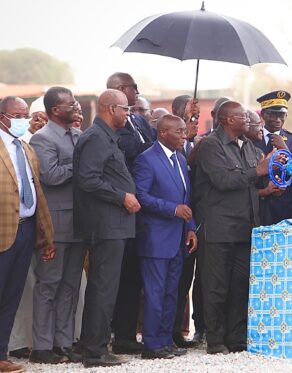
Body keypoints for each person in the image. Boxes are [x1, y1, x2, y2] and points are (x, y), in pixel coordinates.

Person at [194, 101, 271, 354]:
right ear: (227, 119)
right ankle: (215, 339)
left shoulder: (248, 145)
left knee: (240, 284)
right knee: (216, 285)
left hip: (245, 227)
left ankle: (236, 337)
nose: (248, 119)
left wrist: (267, 169)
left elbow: (253, 181)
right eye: (242, 116)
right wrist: (256, 170)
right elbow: (223, 180)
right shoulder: (211, 146)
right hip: (219, 227)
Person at [73, 89, 140, 368]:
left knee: (106, 288)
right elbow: (88, 179)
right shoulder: (96, 138)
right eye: (125, 109)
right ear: (111, 108)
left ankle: (97, 346)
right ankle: (94, 352)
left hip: (115, 225)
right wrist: (121, 196)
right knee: (103, 287)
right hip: (105, 225)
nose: (128, 114)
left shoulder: (107, 137)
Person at [28, 87, 86, 364]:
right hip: (56, 225)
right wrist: (82, 166)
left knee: (70, 286)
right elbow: (50, 176)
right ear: (55, 110)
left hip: (80, 224)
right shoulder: (42, 139)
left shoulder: (78, 136)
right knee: (49, 285)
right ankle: (42, 347)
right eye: (70, 104)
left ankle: (63, 343)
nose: (76, 107)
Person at [133, 114, 198, 360]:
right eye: (179, 132)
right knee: (155, 292)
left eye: (184, 132)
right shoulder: (146, 160)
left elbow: (185, 199)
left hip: (178, 237)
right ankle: (151, 344)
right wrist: (172, 209)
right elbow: (141, 195)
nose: (184, 135)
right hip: (156, 238)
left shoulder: (180, 159)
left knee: (172, 292)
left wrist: (190, 227)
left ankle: (165, 340)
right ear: (162, 133)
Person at [0, 96, 55, 373]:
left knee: (12, 295)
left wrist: (46, 234)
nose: (22, 120)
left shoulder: (25, 147)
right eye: (17, 115)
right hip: (2, 232)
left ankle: (1, 354)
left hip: (26, 229)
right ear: (2, 116)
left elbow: (37, 193)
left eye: (25, 114)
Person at [107, 72, 155, 355]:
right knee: (121, 277)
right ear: (121, 90)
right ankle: (118, 334)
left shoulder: (138, 121)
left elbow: (155, 146)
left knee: (135, 277)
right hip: (123, 208)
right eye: (134, 87)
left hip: (144, 210)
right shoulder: (112, 127)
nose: (138, 91)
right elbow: (137, 152)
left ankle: (129, 335)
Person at [170, 94, 204, 348]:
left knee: (184, 282)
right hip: (171, 223)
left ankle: (177, 331)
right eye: (189, 115)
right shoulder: (176, 144)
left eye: (196, 116)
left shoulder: (196, 143)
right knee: (170, 281)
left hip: (193, 221)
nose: (194, 121)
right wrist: (188, 139)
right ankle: (166, 332)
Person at [253, 90, 292, 225]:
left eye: (282, 115)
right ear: (263, 114)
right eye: (273, 115)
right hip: (257, 205)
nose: (277, 119)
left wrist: (285, 149)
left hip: (285, 207)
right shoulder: (251, 139)